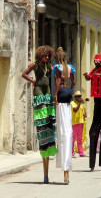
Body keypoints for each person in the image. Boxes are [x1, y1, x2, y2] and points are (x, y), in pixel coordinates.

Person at [22, 45, 57, 184]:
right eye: (45, 55)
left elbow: (56, 73)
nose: (47, 57)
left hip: (47, 91)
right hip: (38, 92)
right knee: (41, 117)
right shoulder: (35, 65)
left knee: (49, 117)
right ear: (40, 55)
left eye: (49, 55)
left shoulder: (49, 65)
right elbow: (24, 73)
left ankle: (49, 140)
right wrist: (33, 81)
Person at [52, 47, 76, 184]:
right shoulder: (70, 67)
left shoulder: (57, 67)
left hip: (61, 93)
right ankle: (66, 171)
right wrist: (70, 90)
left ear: (57, 57)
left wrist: (56, 94)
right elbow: (73, 81)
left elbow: (56, 82)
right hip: (68, 93)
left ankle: (65, 171)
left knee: (62, 130)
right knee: (68, 128)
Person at [71, 91, 87, 157]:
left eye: (80, 96)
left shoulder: (81, 105)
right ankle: (71, 153)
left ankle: (81, 152)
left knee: (80, 138)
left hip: (81, 122)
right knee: (73, 138)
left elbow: (83, 113)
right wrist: (80, 103)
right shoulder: (72, 103)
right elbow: (75, 110)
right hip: (74, 123)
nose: (79, 97)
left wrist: (85, 114)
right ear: (75, 97)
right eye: (78, 96)